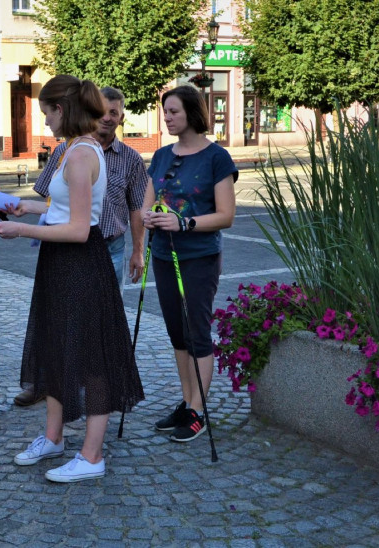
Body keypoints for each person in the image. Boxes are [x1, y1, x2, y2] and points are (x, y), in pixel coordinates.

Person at [0, 75, 144, 482]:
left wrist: (20, 229)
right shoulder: (71, 149)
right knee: (55, 345)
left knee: (92, 357)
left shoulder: (79, 155)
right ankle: (54, 438)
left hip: (78, 261)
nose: (45, 122)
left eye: (46, 113)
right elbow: (60, 206)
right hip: (61, 262)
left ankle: (92, 457)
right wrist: (23, 207)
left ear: (62, 110)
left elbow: (79, 228)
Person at [16, 85, 148, 407]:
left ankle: (89, 394)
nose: (107, 117)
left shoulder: (115, 156)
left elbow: (135, 208)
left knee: (92, 333)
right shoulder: (69, 149)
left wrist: (137, 249)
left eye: (113, 113)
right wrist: (27, 208)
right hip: (67, 250)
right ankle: (54, 389)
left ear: (121, 117)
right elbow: (53, 198)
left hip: (101, 248)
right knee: (62, 330)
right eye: (102, 111)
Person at [141, 85, 236, 443]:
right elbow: (147, 204)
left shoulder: (216, 157)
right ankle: (186, 401)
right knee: (177, 334)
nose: (167, 117)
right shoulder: (162, 155)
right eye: (165, 111)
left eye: (174, 112)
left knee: (196, 333)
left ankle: (199, 410)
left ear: (193, 113)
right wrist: (149, 217)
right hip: (165, 256)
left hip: (197, 258)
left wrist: (185, 223)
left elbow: (226, 215)